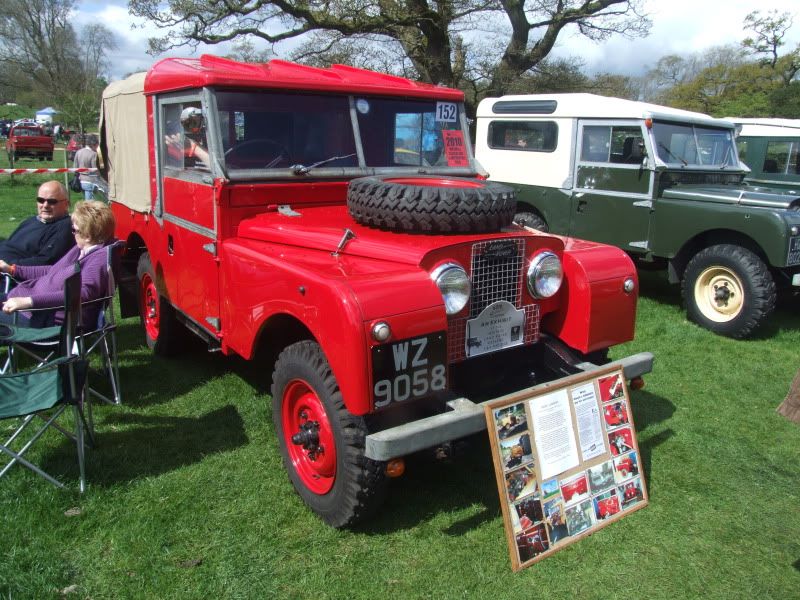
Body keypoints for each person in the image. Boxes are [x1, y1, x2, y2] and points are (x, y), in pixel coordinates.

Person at [0, 201, 116, 328]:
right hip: (25, 303)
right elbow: (53, 270)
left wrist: (29, 302)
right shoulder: (81, 249)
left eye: (74, 230)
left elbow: (83, 293)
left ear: (87, 236)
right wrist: (12, 269)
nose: (72, 234)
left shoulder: (98, 259)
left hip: (42, 318)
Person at [0, 181, 74, 267]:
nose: (45, 205)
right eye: (41, 200)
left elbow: (45, 261)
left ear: (66, 204)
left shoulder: (64, 227)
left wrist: (9, 267)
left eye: (52, 201)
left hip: (11, 272)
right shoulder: (31, 221)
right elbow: (9, 244)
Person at [73, 134, 99, 200]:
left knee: (86, 201)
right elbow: (95, 170)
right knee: (91, 204)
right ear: (94, 144)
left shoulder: (78, 152)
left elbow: (75, 167)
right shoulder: (94, 154)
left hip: (81, 180)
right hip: (91, 181)